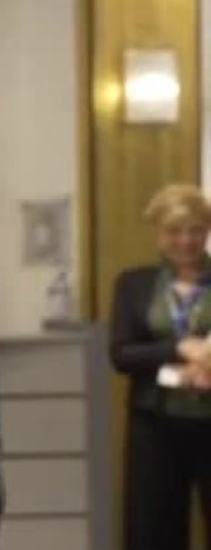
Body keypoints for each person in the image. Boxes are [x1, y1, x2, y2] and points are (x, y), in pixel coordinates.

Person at [110, 183, 211, 550]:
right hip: (156, 427)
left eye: (196, 230)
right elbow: (122, 354)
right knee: (154, 531)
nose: (185, 241)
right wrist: (177, 350)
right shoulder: (134, 284)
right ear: (157, 232)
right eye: (174, 231)